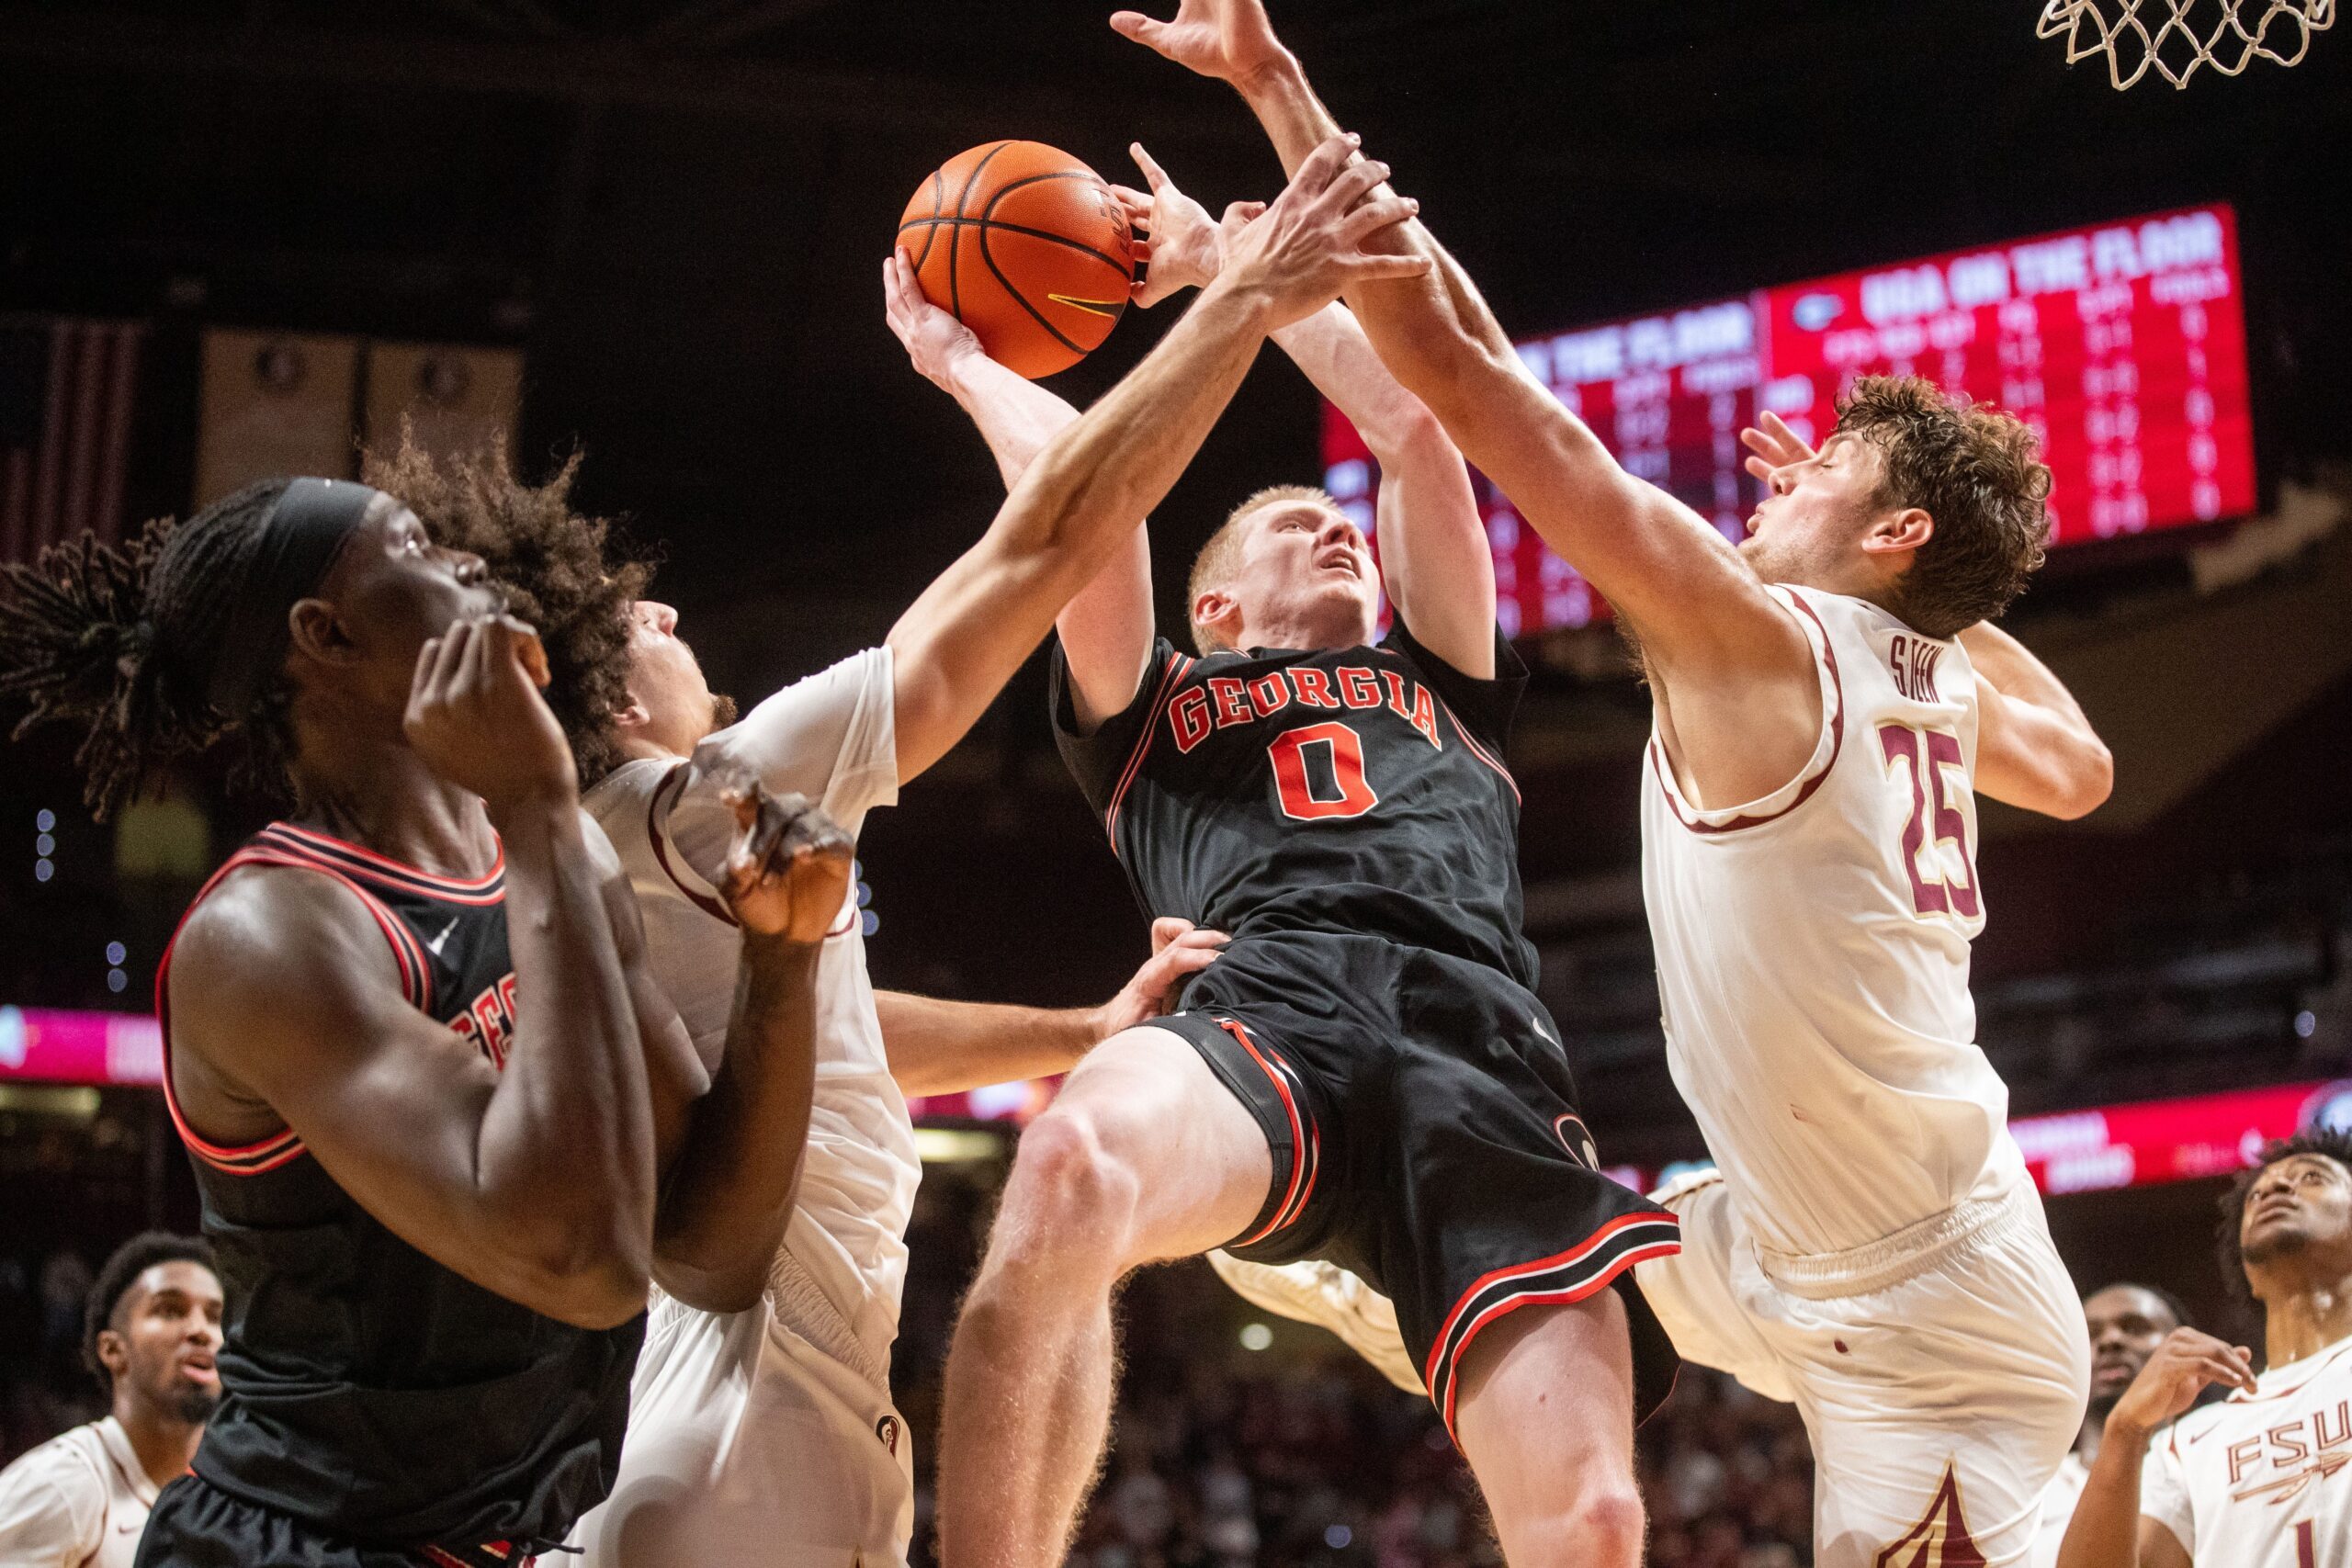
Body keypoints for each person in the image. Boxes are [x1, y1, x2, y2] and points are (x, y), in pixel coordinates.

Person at [1113, 6, 2120, 1563]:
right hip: (1819, 1238)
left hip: (1920, 1322)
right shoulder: (1944, 674)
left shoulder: (1753, 637)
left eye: (1827, 465)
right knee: (1553, 1253)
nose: (1780, 473)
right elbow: (2087, 765)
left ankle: (1362, 1266)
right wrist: (1926, 582)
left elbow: (1456, 370)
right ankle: (1377, 1266)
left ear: (1896, 534)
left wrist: (1268, 80)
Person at [371, 129, 1429, 1568]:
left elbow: (830, 1032)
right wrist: (1239, 294)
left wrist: (1077, 1024)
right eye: (646, 623)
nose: (675, 621)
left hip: (727, 1428)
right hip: (757, 1451)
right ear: (608, 695)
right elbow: (1057, 536)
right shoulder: (702, 800)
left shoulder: (589, 868)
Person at [916, 133, 1682, 1568]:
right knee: (1070, 1158)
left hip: (1485, 1046)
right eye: (1290, 526)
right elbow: (1092, 504)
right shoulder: (1150, 704)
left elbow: (1414, 430)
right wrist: (964, 365)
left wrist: (1235, 273)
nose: (1333, 529)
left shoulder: (1442, 671)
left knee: (1595, 1518)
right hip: (1266, 1002)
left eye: (1338, 527)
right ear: (1214, 610)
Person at [0, 476, 852, 1567]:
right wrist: (540, 807)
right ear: (326, 634)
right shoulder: (271, 933)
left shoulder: (549, 857)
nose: (467, 567)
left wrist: (779, 962)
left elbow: (708, 1253)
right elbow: (581, 1264)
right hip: (304, 1544)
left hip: (502, 1539)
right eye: (412, 547)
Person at [2058, 1133, 2352, 1568]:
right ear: (2248, 1275)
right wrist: (2126, 1428)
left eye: (2312, 1177)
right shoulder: (2189, 1442)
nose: (2273, 1189)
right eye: (2256, 1194)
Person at [0, 1234, 222, 1567]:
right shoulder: (64, 1485)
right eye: (170, 1310)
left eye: (215, 1316)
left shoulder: (221, 1499)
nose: (200, 1329)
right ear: (113, 1350)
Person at [2029, 1285, 2191, 1568]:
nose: (2110, 1340)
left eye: (2135, 1327)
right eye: (2089, 1334)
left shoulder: (2210, 1465)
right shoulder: (2030, 1489)